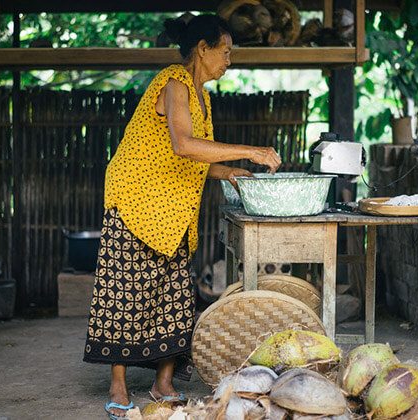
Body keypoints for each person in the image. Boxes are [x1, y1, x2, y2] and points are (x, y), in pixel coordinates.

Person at [83, 14, 282, 419]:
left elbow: (197, 157)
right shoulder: (174, 82)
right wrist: (251, 150)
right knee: (126, 295)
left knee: (173, 297)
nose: (229, 60)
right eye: (225, 52)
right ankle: (118, 385)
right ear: (203, 49)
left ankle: (163, 382)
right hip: (137, 201)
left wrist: (228, 170)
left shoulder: (201, 96)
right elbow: (184, 144)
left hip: (172, 210)